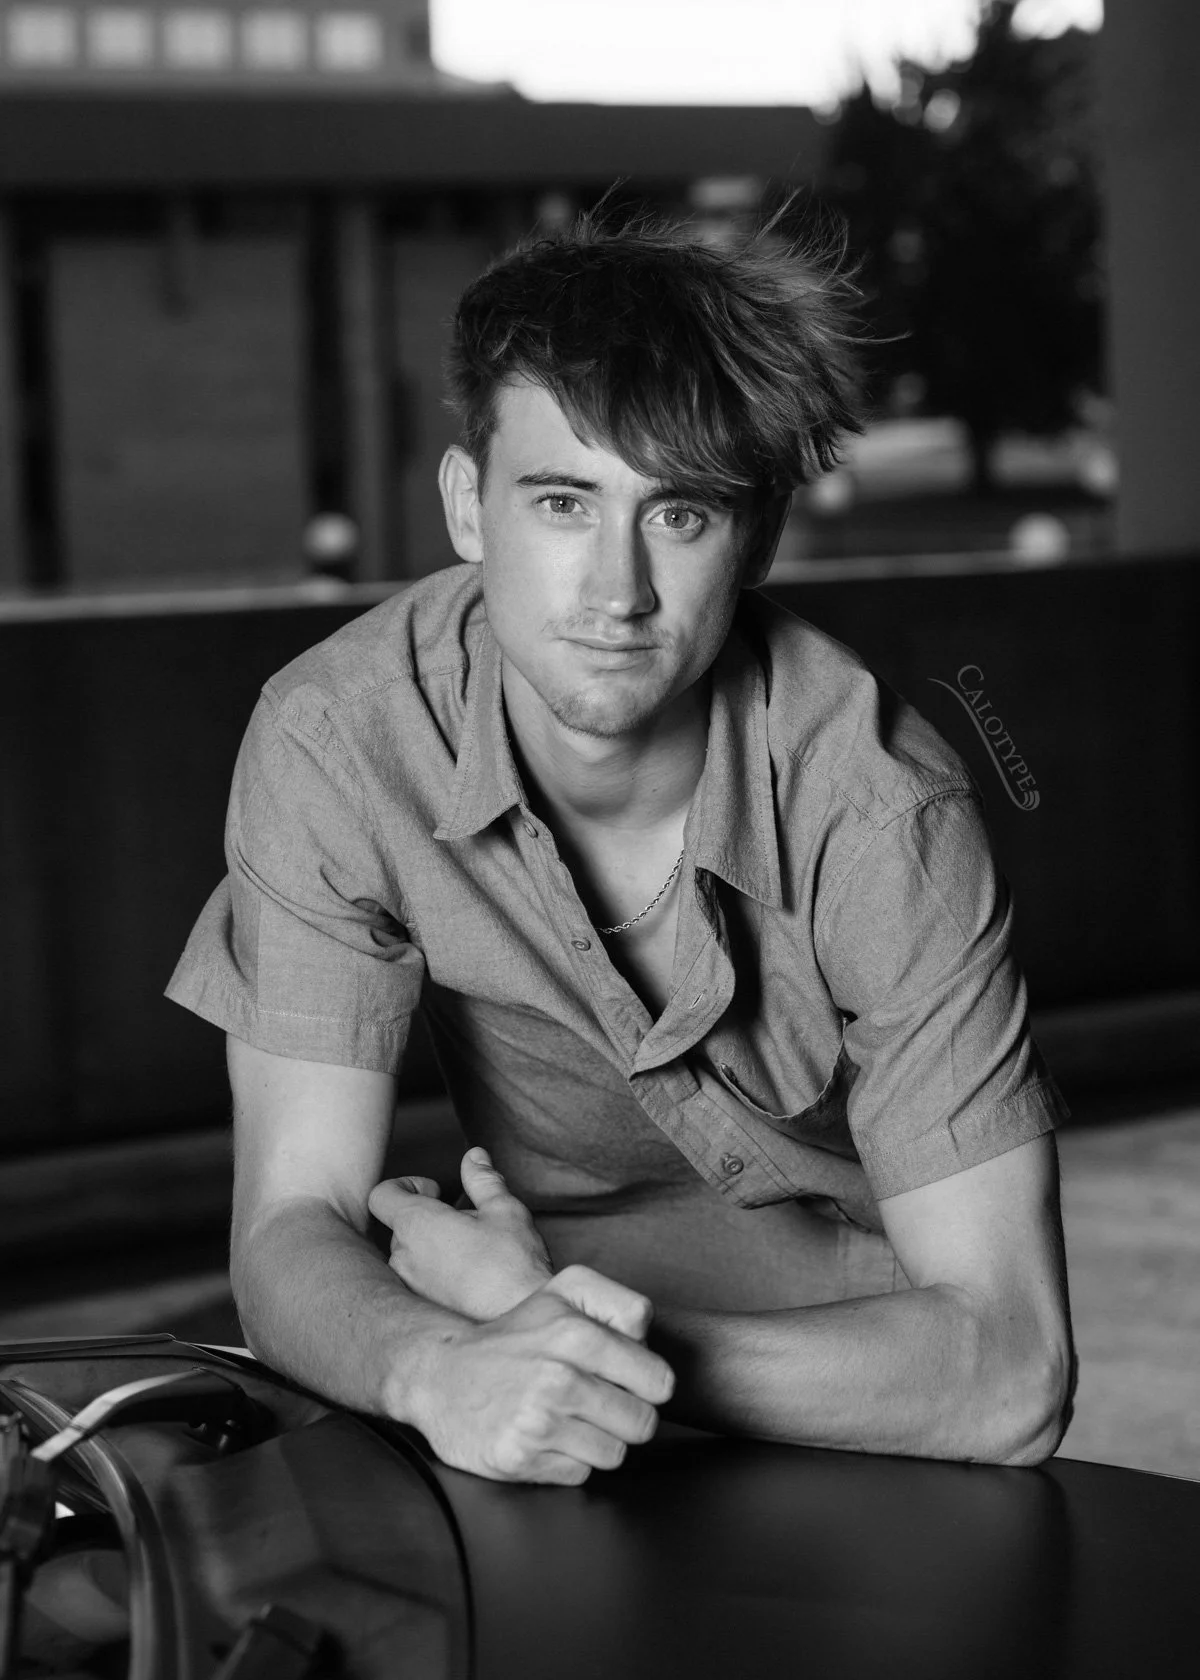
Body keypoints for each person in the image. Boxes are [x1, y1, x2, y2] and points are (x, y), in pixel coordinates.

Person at [167, 207, 1074, 1486]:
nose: (617, 592)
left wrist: (575, 1330)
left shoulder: (881, 809)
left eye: (680, 516)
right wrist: (445, 1366)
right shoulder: (338, 742)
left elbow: (1011, 1373)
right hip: (530, 1364)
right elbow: (288, 1225)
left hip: (872, 1395)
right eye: (562, 501)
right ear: (468, 506)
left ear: (753, 539)